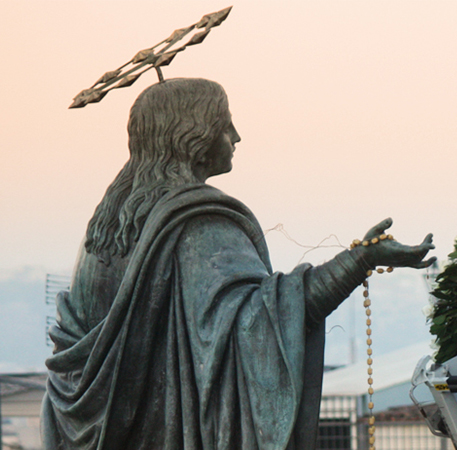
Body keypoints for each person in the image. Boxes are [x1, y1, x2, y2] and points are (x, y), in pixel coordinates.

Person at [42, 78, 435, 450]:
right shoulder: (198, 222)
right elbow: (261, 324)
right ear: (192, 136)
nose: (235, 135)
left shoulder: (103, 230)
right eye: (224, 123)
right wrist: (361, 259)